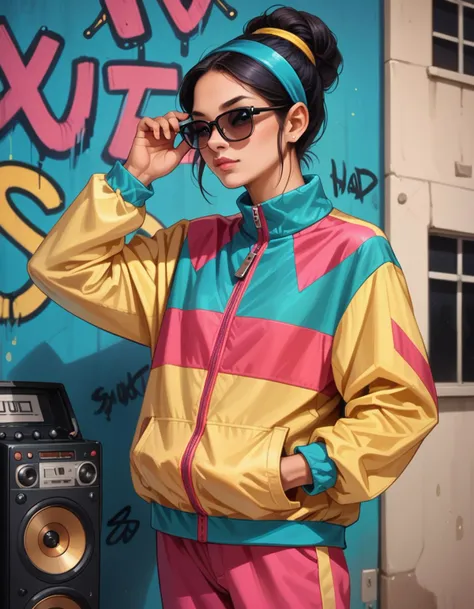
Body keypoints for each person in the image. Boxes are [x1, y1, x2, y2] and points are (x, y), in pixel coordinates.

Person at [28, 6, 438, 609]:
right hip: (179, 540)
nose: (216, 141)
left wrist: (298, 470)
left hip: (284, 545)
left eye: (239, 118)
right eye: (201, 126)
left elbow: (402, 404)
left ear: (294, 120)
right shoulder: (188, 249)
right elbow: (61, 268)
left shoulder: (354, 253)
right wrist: (134, 178)